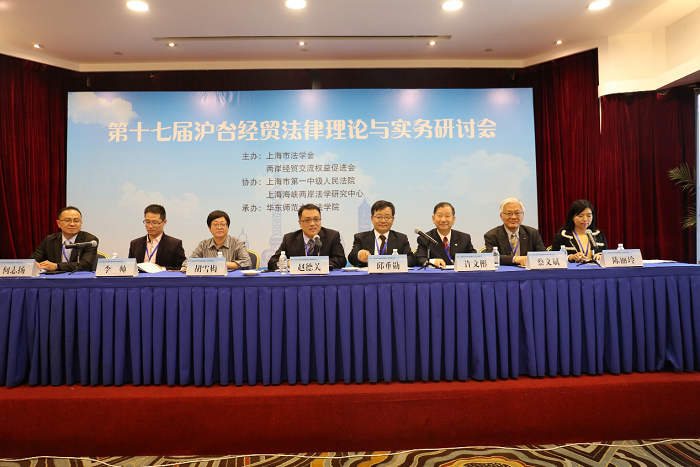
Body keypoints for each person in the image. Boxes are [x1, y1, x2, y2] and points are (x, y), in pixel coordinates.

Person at [268, 203, 346, 270]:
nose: (312, 224)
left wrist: (316, 264)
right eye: (307, 220)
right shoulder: (289, 238)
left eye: (316, 219)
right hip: (298, 280)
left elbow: (341, 260)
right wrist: (288, 263)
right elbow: (272, 262)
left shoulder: (332, 236)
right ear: (300, 223)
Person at [348, 200, 416, 267]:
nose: (383, 221)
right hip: (369, 274)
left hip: (393, 274)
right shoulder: (361, 238)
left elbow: (411, 260)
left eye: (387, 217)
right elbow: (352, 258)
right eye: (379, 217)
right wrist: (359, 255)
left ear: (393, 219)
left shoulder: (401, 238)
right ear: (372, 218)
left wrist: (396, 261)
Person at [30, 206, 99, 272]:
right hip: (53, 278)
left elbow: (86, 265)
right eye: (67, 220)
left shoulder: (89, 240)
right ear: (58, 223)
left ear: (81, 223)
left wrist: (57, 266)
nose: (72, 224)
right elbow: (33, 260)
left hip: (78, 277)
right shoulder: (49, 240)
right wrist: (35, 264)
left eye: (76, 221)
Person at [483, 197, 545, 266]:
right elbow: (491, 257)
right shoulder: (492, 235)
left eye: (517, 213)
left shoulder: (533, 233)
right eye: (509, 213)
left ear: (523, 215)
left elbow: (543, 255)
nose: (513, 217)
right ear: (501, 216)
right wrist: (515, 259)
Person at [183, 210, 251, 270]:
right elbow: (187, 263)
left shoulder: (237, 243)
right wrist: (212, 265)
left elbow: (247, 263)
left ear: (227, 227)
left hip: (230, 279)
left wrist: (221, 264)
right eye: (215, 224)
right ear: (209, 228)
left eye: (223, 224)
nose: (219, 227)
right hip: (209, 279)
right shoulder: (203, 245)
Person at [415, 202, 476, 268]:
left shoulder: (464, 238)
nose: (443, 220)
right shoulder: (425, 238)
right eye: (439, 216)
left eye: (447, 216)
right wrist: (433, 261)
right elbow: (420, 259)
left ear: (453, 219)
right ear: (433, 218)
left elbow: (474, 258)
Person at [128, 204, 186, 270]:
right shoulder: (135, 244)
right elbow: (130, 268)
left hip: (163, 276)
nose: (150, 226)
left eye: (155, 223)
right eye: (147, 222)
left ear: (164, 222)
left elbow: (182, 268)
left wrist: (163, 268)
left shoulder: (175, 244)